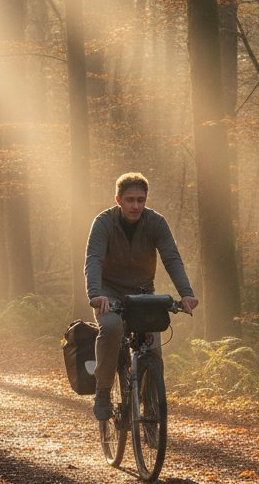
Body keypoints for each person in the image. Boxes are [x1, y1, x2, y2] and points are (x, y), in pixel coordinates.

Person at [83, 172, 199, 420]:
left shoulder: (156, 222)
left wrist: (186, 294)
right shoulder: (103, 223)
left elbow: (171, 258)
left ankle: (151, 407)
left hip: (142, 294)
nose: (136, 205)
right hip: (108, 292)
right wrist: (95, 294)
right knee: (112, 329)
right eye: (130, 200)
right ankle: (103, 391)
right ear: (118, 200)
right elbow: (93, 259)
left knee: (153, 348)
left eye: (141, 200)